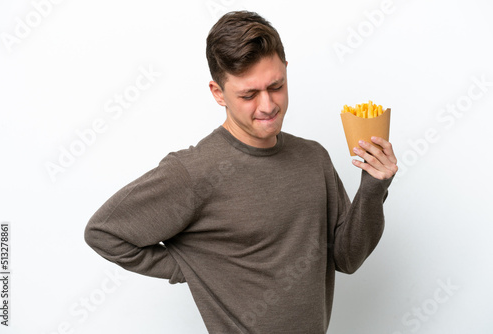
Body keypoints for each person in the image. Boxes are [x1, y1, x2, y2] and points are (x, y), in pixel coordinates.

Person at [84, 10, 398, 334]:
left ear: (286, 71)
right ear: (218, 93)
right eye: (248, 95)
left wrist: (373, 188)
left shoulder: (313, 158)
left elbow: (347, 257)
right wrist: (193, 269)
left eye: (276, 86)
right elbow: (104, 232)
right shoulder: (193, 173)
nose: (267, 105)